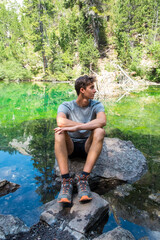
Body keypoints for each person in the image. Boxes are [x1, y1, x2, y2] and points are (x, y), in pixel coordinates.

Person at [54, 75, 106, 203]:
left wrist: (77, 127)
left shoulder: (97, 105)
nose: (95, 90)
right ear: (82, 90)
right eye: (92, 88)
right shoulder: (66, 105)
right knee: (58, 132)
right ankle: (66, 181)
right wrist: (84, 126)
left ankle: (83, 178)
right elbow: (60, 121)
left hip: (88, 147)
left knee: (99, 131)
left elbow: (102, 121)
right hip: (70, 147)